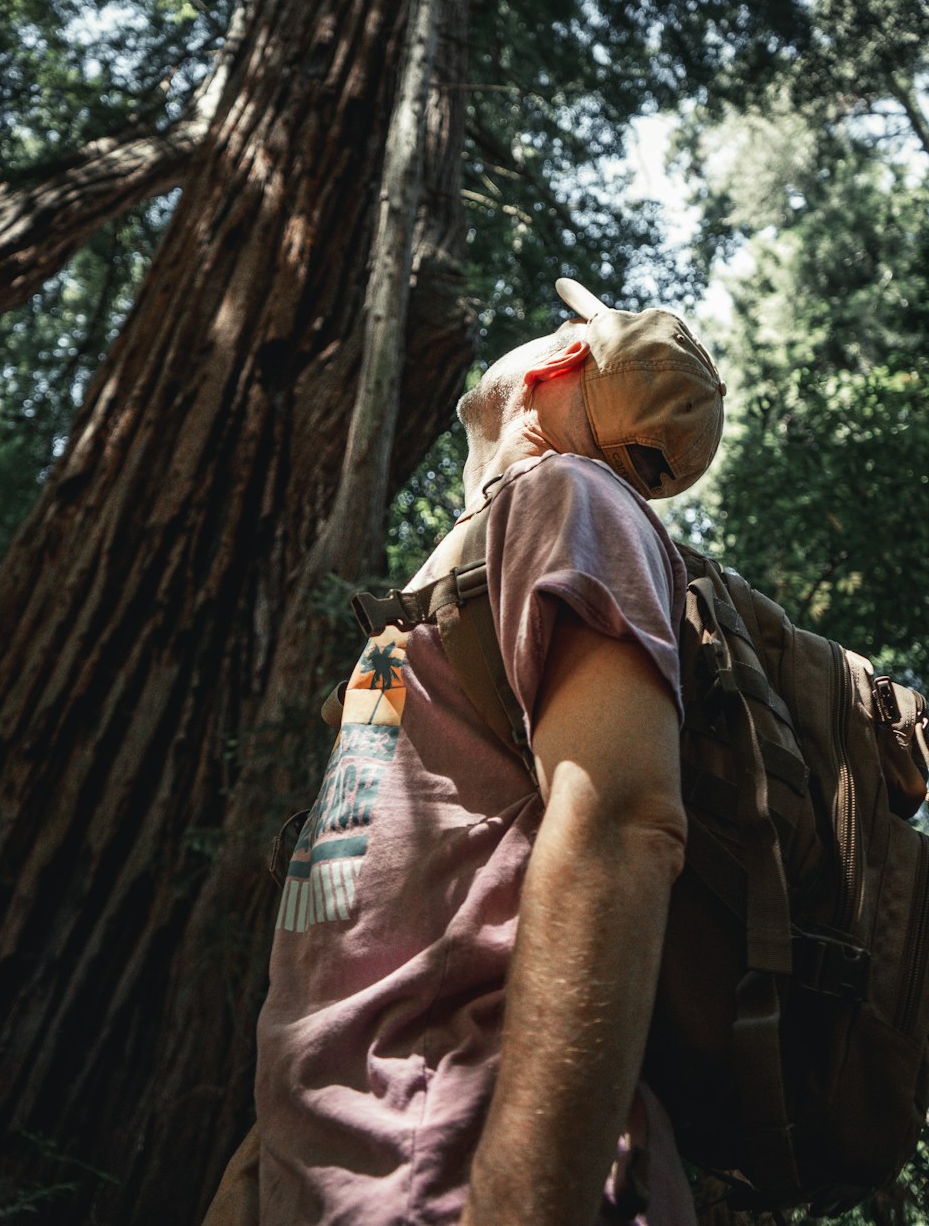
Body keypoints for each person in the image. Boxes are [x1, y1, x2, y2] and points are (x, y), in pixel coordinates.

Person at [202, 277, 726, 1226]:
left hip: (454, 1163)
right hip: (342, 1171)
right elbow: (356, 940)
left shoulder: (567, 498)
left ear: (561, 361)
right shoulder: (444, 601)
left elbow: (623, 822)